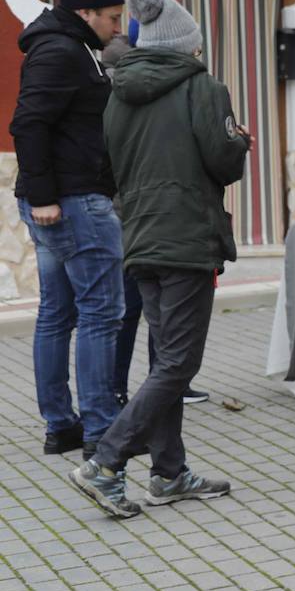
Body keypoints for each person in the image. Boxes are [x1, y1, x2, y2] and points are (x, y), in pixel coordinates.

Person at [69, 0, 249, 519]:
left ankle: (169, 473)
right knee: (178, 362)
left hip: (141, 234)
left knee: (163, 357)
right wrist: (238, 141)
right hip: (188, 235)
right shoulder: (205, 89)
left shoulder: (117, 90)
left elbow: (113, 163)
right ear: (186, 46)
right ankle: (105, 462)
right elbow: (224, 163)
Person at [10, 0, 127, 460]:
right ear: (86, 14)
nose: (118, 28)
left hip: (66, 199)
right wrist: (43, 196)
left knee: (58, 312)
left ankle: (63, 426)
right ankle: (101, 429)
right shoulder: (61, 51)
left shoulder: (70, 47)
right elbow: (28, 122)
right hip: (72, 202)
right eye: (113, 18)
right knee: (102, 314)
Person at [100, 32, 211, 408]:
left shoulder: (141, 80)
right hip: (132, 209)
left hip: (130, 210)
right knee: (136, 309)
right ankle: (143, 389)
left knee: (146, 309)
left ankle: (156, 386)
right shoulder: (123, 85)